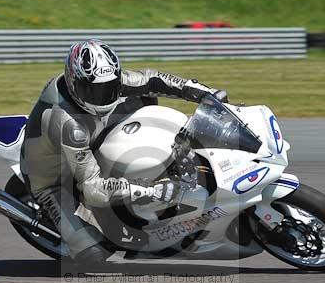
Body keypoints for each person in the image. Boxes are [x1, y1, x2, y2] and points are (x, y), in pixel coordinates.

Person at [21, 39, 228, 265]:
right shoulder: (68, 124)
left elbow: (155, 79)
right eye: (92, 91)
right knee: (93, 254)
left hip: (94, 142)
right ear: (73, 83)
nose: (102, 97)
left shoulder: (114, 82)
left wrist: (206, 93)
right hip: (56, 180)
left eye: (108, 88)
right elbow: (93, 190)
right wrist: (154, 190)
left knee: (144, 94)